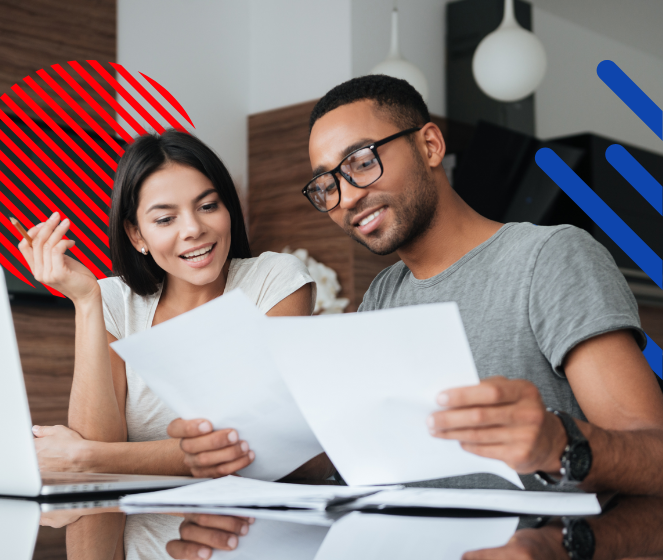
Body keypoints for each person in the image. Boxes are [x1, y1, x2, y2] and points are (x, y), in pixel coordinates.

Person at [171, 74, 663, 499]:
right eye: (326, 184)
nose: (346, 198)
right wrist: (240, 452)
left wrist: (558, 441)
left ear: (429, 145)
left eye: (361, 162)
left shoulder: (548, 258)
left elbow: (652, 453)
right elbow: (354, 460)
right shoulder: (383, 294)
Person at [18, 130, 318, 560]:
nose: (193, 229)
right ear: (136, 235)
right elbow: (100, 467)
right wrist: (85, 301)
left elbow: (247, 449)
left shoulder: (274, 281)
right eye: (165, 218)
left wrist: (85, 458)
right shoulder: (113, 299)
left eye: (207, 205)